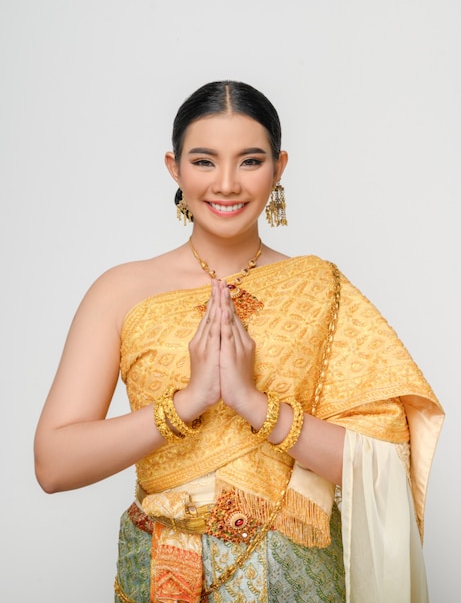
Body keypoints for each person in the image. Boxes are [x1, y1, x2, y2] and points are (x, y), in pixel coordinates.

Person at [34, 80, 444, 603]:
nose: (226, 184)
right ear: (173, 167)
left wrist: (256, 405)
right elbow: (53, 463)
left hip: (296, 578)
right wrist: (187, 404)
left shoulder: (320, 288)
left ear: (279, 168)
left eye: (250, 161)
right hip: (161, 575)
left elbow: (383, 464)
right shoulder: (120, 291)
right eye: (204, 161)